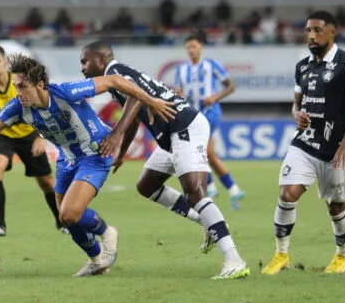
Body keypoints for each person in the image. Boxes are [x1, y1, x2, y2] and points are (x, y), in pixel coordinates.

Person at [0, 54, 175, 276]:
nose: (18, 93)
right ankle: (96, 261)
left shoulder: (66, 92)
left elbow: (114, 81)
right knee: (66, 217)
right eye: (16, 87)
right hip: (67, 159)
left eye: (23, 87)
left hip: (95, 154)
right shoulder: (18, 107)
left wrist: (150, 101)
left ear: (40, 84)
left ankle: (107, 232)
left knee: (70, 213)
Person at [80, 41, 250, 280]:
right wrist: (122, 152)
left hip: (183, 127)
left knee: (196, 193)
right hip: (171, 135)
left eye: (84, 62)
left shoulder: (115, 73)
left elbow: (136, 99)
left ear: (100, 60)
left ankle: (234, 259)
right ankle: (206, 222)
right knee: (146, 185)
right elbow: (135, 112)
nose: (82, 68)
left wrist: (115, 134)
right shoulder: (118, 77)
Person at [261, 10, 345, 275]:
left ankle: (342, 256)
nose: (311, 35)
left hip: (336, 149)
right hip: (305, 143)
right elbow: (296, 105)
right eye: (308, 30)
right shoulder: (303, 67)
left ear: (332, 32)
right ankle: (281, 254)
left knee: (336, 207)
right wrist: (297, 115)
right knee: (287, 194)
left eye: (317, 30)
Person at [0, 44, 64, 236]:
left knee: (46, 182)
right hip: (3, 136)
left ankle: (62, 222)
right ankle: (0, 225)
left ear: (5, 62)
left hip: (28, 133)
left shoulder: (18, 82)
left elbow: (43, 105)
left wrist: (42, 136)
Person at [173, 33, 246, 207]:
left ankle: (213, 188)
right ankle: (233, 190)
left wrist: (215, 97)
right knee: (208, 154)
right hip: (193, 115)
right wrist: (178, 95)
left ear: (201, 47)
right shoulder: (181, 70)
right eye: (188, 47)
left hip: (210, 112)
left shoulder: (211, 65)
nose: (191, 50)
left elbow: (230, 86)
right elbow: (178, 90)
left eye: (194, 46)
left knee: (202, 152)